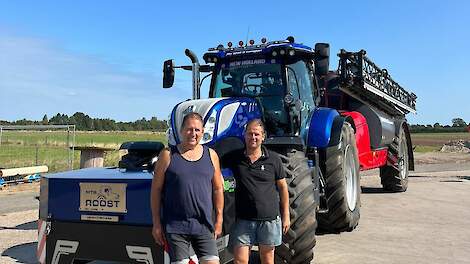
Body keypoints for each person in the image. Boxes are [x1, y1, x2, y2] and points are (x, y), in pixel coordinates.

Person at [151, 112, 224, 264]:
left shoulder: (211, 155)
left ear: (203, 132)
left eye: (197, 130)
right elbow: (156, 190)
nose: (193, 133)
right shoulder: (168, 155)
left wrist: (219, 219)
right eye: (189, 129)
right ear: (181, 131)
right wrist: (156, 223)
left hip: (204, 226)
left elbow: (218, 189)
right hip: (176, 228)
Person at [226, 119, 290, 264]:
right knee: (240, 260)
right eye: (250, 134)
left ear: (263, 136)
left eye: (256, 134)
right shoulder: (235, 158)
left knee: (267, 260)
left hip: (269, 219)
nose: (253, 137)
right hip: (243, 219)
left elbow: (283, 187)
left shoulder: (273, 159)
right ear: (244, 135)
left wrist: (286, 215)